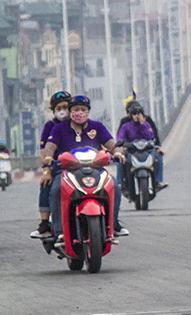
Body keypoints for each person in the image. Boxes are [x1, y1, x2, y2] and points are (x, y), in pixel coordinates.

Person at [41, 95, 127, 245]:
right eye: (75, 109)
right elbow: (50, 147)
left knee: (114, 187)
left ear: (88, 111)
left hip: (95, 169)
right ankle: (59, 231)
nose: (79, 113)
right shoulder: (59, 128)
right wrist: (48, 158)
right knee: (56, 189)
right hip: (66, 171)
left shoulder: (97, 127)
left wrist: (118, 152)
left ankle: (112, 227)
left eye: (83, 109)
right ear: (70, 111)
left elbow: (111, 144)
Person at [30, 91, 72, 239]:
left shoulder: (79, 122)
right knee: (48, 186)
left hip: (81, 165)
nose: (62, 111)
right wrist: (46, 170)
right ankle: (45, 223)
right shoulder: (50, 126)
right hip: (59, 166)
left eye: (65, 107)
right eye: (58, 108)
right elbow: (44, 150)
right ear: (53, 110)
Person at [118, 97, 166, 190]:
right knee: (120, 160)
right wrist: (121, 147)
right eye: (133, 113)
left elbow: (152, 135)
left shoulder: (146, 122)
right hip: (130, 149)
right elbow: (120, 136)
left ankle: (157, 182)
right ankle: (120, 183)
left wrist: (143, 124)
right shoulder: (125, 123)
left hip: (147, 148)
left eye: (138, 113)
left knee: (158, 158)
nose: (136, 115)